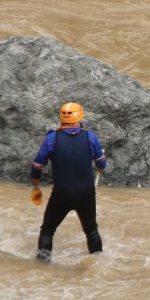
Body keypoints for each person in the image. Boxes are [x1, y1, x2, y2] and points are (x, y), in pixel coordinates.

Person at [29, 102, 108, 262]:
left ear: (61, 118)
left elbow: (37, 166)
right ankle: (98, 266)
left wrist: (36, 187)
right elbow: (101, 165)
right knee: (91, 230)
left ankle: (42, 268)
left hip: (61, 193)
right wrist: (101, 158)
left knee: (47, 231)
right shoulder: (90, 138)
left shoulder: (52, 139)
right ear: (80, 116)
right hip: (86, 193)